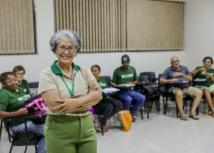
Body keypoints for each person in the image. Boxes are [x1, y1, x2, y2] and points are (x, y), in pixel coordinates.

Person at [38, 30, 102, 153]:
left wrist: (75, 102)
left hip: (87, 128)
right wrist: (89, 99)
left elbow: (98, 95)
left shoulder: (84, 71)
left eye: (71, 48)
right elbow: (56, 106)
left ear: (76, 50)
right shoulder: (47, 74)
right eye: (62, 47)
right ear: (55, 49)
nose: (66, 52)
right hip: (60, 131)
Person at [0, 72, 46, 153]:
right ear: (3, 84)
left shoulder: (19, 89)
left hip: (29, 120)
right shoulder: (4, 94)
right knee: (49, 131)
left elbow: (27, 101)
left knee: (53, 126)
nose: (14, 82)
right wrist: (16, 114)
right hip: (18, 125)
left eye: (15, 80)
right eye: (10, 81)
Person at [160, 56, 203, 120]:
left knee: (199, 92)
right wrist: (170, 80)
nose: (176, 63)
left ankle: (192, 112)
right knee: (179, 93)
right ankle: (182, 113)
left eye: (177, 61)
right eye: (174, 62)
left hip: (186, 87)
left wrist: (181, 74)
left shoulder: (185, 68)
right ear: (171, 63)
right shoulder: (168, 70)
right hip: (175, 87)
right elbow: (161, 80)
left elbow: (190, 79)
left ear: (179, 61)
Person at [111, 54, 146, 122]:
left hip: (129, 90)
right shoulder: (117, 71)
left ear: (129, 61)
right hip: (120, 91)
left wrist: (132, 83)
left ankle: (130, 114)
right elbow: (113, 82)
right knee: (128, 99)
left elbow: (136, 80)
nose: (125, 66)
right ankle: (125, 117)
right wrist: (114, 85)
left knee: (142, 98)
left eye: (126, 64)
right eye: (124, 64)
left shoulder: (133, 69)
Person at [91, 65, 122, 132]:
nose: (93, 72)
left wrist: (110, 88)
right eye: (92, 71)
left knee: (119, 104)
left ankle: (102, 120)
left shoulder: (103, 79)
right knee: (109, 106)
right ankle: (103, 124)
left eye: (95, 71)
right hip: (98, 99)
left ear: (99, 71)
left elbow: (107, 88)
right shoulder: (91, 81)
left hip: (106, 97)